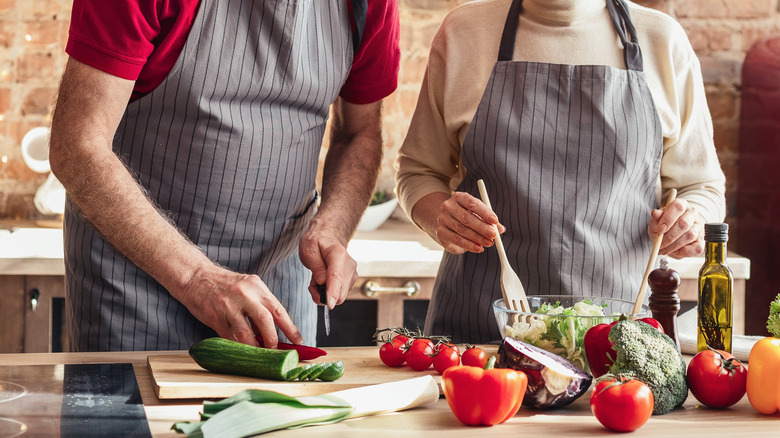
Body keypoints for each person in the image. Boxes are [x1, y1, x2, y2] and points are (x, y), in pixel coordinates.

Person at [49, 0, 400, 352]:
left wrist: (332, 227)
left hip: (278, 279)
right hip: (135, 282)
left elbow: (360, 133)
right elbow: (78, 145)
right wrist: (196, 278)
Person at [395, 0, 726, 343]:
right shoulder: (464, 31)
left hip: (620, 339)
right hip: (480, 335)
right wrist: (440, 217)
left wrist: (692, 220)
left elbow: (702, 185)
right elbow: (418, 171)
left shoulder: (662, 39)